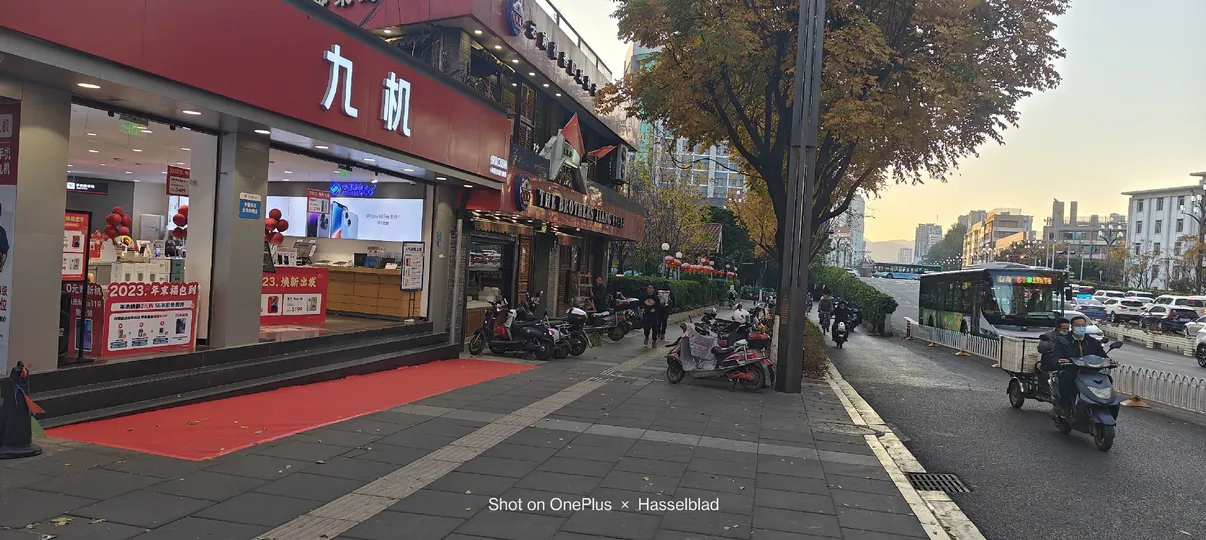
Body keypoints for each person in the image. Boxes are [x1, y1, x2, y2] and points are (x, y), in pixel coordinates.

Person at [1050, 315, 1108, 415]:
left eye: (1083, 325)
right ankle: (1065, 406)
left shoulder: (1092, 341)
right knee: (1066, 378)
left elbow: (1102, 356)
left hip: (1089, 372)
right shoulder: (1063, 341)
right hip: (1071, 370)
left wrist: (1110, 361)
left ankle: (1104, 403)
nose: (1081, 328)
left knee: (1106, 379)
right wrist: (1060, 361)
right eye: (1078, 326)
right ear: (1072, 327)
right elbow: (1056, 356)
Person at [656, 281, 674, 345]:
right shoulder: (669, 291)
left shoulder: (658, 291)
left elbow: (655, 298)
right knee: (664, 321)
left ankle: (658, 332)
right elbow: (673, 299)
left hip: (659, 308)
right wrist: (672, 307)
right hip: (666, 309)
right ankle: (663, 334)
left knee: (658, 321)